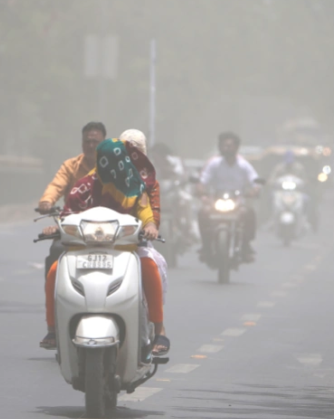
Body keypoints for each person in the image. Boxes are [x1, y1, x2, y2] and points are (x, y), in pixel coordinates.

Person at [42, 139, 170, 356]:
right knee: (55, 270)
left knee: (149, 266)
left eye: (115, 161)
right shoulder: (84, 186)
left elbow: (145, 211)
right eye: (106, 162)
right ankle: (53, 330)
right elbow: (68, 215)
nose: (111, 167)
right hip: (85, 249)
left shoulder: (135, 184)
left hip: (126, 248)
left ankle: (159, 330)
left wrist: (149, 226)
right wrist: (56, 227)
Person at [37, 122, 107, 276]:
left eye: (95, 142)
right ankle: (52, 298)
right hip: (73, 225)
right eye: (87, 142)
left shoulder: (113, 167)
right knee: (57, 250)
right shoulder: (71, 166)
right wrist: (47, 202)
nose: (90, 146)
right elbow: (56, 186)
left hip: (108, 227)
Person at [198, 132, 261, 262]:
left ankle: (245, 246)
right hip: (216, 201)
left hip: (238, 202)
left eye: (229, 146)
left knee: (248, 214)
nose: (226, 148)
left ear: (236, 147)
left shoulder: (243, 165)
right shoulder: (214, 164)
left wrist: (255, 190)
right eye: (224, 145)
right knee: (203, 213)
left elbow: (255, 180)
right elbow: (203, 181)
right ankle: (206, 246)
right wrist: (200, 190)